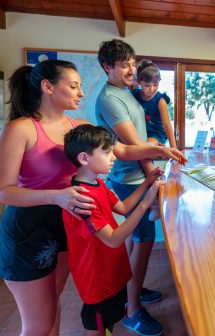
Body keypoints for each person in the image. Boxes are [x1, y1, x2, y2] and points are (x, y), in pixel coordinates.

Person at [0, 60, 183, 336]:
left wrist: (162, 152)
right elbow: (2, 191)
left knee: (52, 305)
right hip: (30, 230)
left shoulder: (78, 126)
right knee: (38, 324)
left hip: (68, 221)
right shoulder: (20, 129)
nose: (80, 93)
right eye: (73, 86)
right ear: (47, 87)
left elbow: (123, 151)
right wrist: (57, 196)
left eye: (80, 86)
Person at [95, 39, 186, 335]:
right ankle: (132, 311)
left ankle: (133, 288)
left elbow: (148, 133)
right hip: (129, 178)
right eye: (124, 65)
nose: (132, 70)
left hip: (141, 174)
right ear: (107, 67)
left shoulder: (128, 93)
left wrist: (160, 146)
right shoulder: (111, 98)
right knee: (144, 240)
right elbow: (132, 144)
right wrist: (161, 151)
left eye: (133, 63)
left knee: (137, 238)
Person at [62, 124, 163, 336]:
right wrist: (146, 202)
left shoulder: (97, 183)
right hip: (97, 279)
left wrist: (147, 184)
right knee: (97, 327)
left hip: (110, 271)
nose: (113, 157)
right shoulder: (82, 197)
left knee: (109, 323)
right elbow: (114, 239)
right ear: (84, 158)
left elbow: (123, 207)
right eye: (106, 152)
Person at [132, 59, 177, 148]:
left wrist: (174, 149)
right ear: (139, 82)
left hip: (157, 135)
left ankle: (158, 149)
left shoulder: (160, 100)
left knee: (145, 147)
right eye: (147, 85)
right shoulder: (134, 94)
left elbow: (167, 125)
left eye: (155, 85)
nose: (151, 89)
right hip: (141, 133)